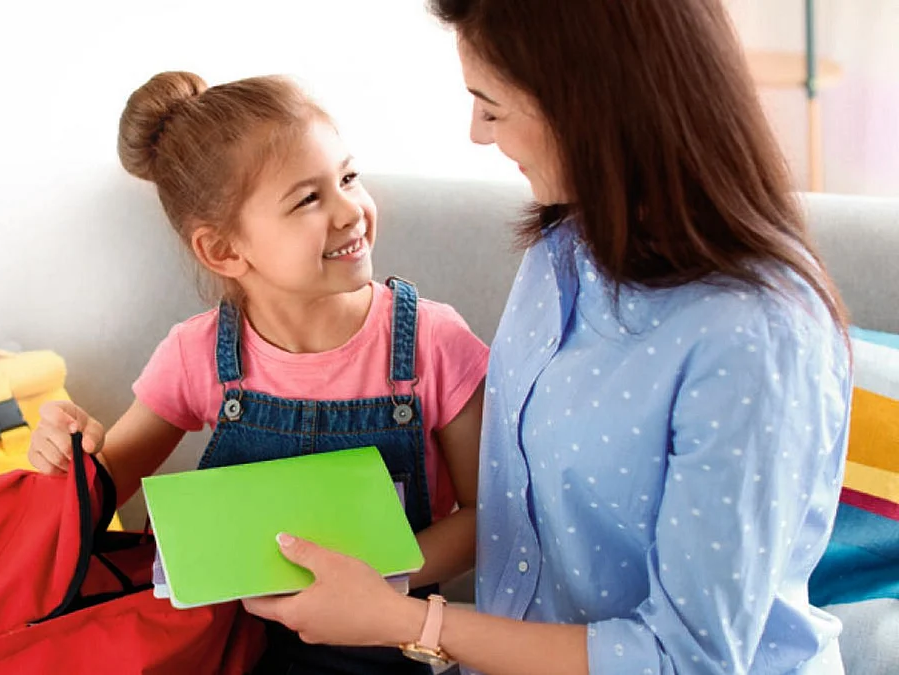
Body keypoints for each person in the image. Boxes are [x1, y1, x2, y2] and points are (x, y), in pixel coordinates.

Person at [242, 2, 853, 674]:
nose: (477, 132)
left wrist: (405, 620)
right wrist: (368, 579)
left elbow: (686, 661)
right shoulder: (565, 250)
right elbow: (516, 522)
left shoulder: (754, 337)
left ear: (589, 105)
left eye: (491, 107)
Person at [27, 70, 490, 674]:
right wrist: (67, 451)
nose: (350, 211)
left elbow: (487, 516)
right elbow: (101, 490)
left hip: (382, 647)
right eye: (308, 200)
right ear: (224, 250)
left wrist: (376, 588)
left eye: (348, 178)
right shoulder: (196, 354)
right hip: (228, 650)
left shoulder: (434, 342)